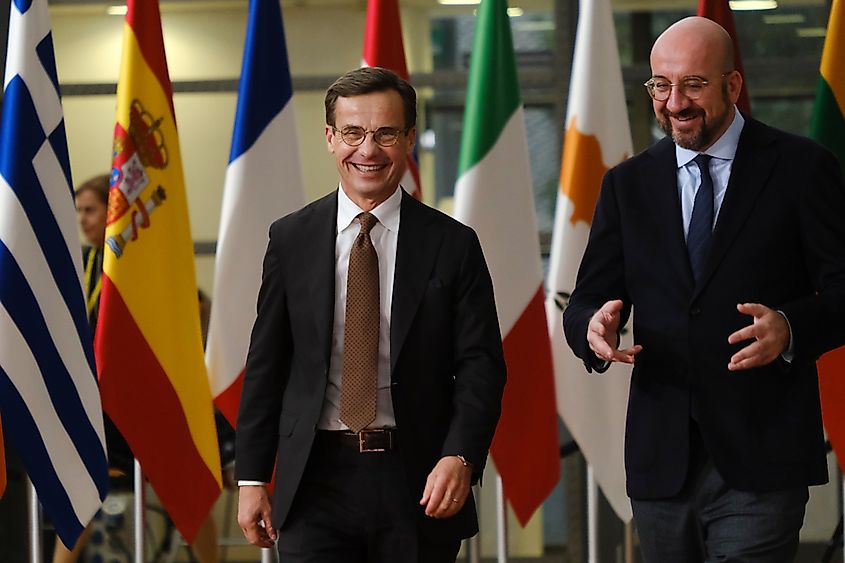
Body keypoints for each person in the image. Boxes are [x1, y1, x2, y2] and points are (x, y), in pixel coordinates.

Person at [562, 16, 845, 562]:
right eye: (660, 86)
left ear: (732, 86)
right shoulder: (628, 183)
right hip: (661, 461)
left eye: (693, 84)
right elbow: (586, 299)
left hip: (762, 455)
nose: (674, 102)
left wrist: (790, 327)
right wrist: (593, 326)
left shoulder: (803, 169)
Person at [235, 66, 506, 563]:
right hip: (314, 480)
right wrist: (251, 477)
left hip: (418, 477)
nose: (368, 150)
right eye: (353, 133)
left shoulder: (453, 245)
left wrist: (460, 455)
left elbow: (480, 366)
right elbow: (266, 364)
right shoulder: (290, 239)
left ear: (407, 140)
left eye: (385, 134)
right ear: (330, 138)